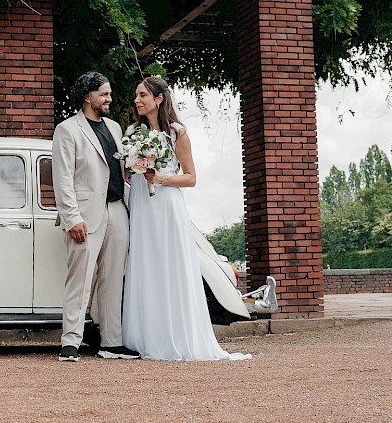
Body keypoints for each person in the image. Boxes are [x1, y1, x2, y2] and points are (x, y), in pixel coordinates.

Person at [121, 76, 251, 361]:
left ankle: (178, 335)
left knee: (170, 266)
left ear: (159, 99)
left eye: (142, 95)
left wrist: (162, 177)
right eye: (136, 96)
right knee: (145, 265)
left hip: (168, 206)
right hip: (142, 204)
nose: (137, 100)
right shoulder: (132, 133)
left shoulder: (177, 133)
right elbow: (128, 172)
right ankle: (146, 336)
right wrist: (137, 167)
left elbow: (191, 177)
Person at [52, 71, 140, 362]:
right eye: (104, 94)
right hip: (85, 215)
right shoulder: (67, 129)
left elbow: (124, 170)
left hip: (117, 209)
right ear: (87, 96)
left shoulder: (115, 128)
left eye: (110, 94)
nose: (109, 99)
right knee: (80, 279)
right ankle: (70, 343)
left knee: (114, 278)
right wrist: (71, 218)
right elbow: (62, 179)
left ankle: (111, 342)